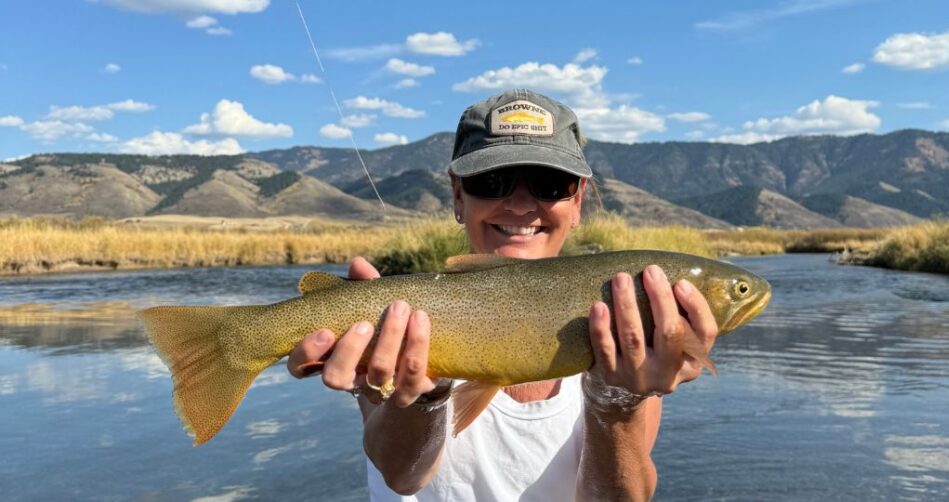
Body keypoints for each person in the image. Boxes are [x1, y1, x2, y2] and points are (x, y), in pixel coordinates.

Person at [285, 89, 719, 501]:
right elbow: (403, 476)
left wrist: (618, 401)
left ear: (578, 201)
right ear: (458, 195)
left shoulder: (627, 336)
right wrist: (425, 397)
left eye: (550, 184)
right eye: (492, 181)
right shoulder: (405, 319)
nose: (519, 204)